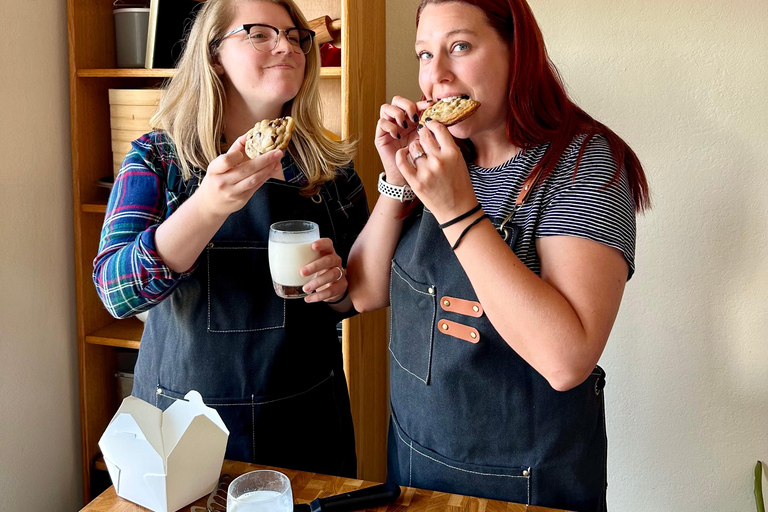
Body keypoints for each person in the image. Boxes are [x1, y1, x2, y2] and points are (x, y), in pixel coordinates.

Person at [347, 0, 650, 509]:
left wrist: (458, 212)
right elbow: (363, 291)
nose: (435, 76)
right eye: (424, 54)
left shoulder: (584, 163)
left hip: (526, 486)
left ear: (518, 50)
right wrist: (398, 182)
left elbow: (567, 360)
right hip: (413, 463)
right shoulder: (437, 154)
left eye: (459, 47)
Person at [93, 0, 368, 478]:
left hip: (306, 426)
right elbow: (115, 292)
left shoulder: (331, 168)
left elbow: (356, 295)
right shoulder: (158, 158)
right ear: (214, 54)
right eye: (259, 33)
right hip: (181, 432)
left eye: (295, 35)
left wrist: (337, 286)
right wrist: (206, 206)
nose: (286, 46)